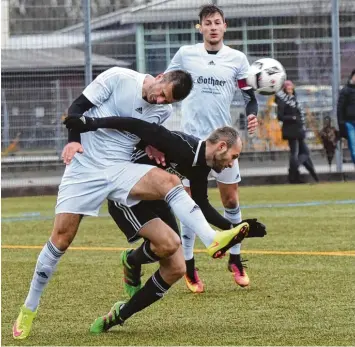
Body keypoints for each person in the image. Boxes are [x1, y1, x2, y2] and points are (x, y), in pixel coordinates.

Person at [12, 67, 254, 340]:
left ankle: (211, 238)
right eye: (162, 94)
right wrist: (73, 142)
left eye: (168, 102)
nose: (161, 102)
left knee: (170, 185)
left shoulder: (162, 111)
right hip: (84, 166)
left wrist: (149, 144)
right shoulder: (119, 78)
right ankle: (29, 307)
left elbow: (143, 132)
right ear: (160, 77)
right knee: (61, 239)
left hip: (120, 168)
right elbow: (77, 109)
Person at [64, 115, 266, 333]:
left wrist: (235, 229)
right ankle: (132, 260)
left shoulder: (201, 166)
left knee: (177, 268)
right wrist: (91, 123)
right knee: (169, 244)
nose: (231, 164)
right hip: (128, 198)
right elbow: (135, 125)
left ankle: (118, 315)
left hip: (159, 201)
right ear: (222, 146)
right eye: (234, 156)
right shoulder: (179, 144)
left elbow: (201, 204)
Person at [162, 3, 259, 292]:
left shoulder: (237, 59)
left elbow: (249, 96)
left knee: (230, 200)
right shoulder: (186, 55)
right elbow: (168, 86)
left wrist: (252, 113)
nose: (213, 27)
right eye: (208, 23)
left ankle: (236, 259)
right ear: (200, 27)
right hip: (191, 143)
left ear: (225, 26)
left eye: (217, 22)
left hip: (223, 144)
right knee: (191, 203)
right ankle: (190, 267)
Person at [275, 80, 319, 184]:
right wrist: (293, 117)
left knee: (304, 153)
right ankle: (293, 173)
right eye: (287, 87)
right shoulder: (282, 100)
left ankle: (308, 175)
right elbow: (280, 117)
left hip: (298, 130)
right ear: (284, 88)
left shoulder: (294, 99)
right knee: (296, 153)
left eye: (291, 86)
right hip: (291, 130)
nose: (290, 88)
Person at [337, 69, 355, 165]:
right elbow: (340, 108)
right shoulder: (345, 91)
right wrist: (341, 124)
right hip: (349, 123)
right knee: (353, 149)